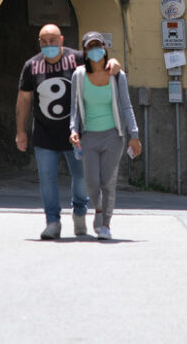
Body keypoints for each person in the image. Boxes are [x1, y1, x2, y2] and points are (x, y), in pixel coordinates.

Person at [15, 23, 120, 240]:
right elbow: (24, 99)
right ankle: (52, 222)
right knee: (47, 179)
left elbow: (103, 65)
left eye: (52, 41)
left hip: (77, 133)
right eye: (43, 42)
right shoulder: (31, 66)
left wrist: (114, 62)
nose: (48, 45)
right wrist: (20, 131)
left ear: (61, 40)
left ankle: (80, 212)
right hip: (44, 133)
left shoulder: (77, 59)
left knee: (81, 178)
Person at [70, 31, 142, 240]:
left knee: (108, 181)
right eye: (90, 47)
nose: (95, 50)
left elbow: (126, 106)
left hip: (113, 135)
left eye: (98, 46)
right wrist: (73, 130)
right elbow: (74, 107)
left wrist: (134, 134)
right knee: (92, 181)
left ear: (104, 48)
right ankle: (98, 210)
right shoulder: (79, 76)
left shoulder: (116, 75)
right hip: (89, 136)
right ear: (85, 51)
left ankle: (106, 224)